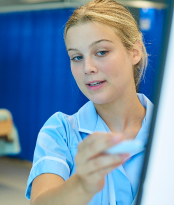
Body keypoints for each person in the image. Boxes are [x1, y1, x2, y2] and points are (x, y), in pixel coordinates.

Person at [26, 0, 152, 204]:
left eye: (101, 52)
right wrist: (80, 185)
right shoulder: (60, 132)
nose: (87, 68)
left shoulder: (167, 131)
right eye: (76, 57)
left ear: (135, 51)